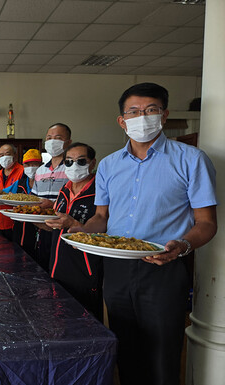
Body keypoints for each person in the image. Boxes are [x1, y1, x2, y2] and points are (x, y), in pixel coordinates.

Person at [73, 83, 217, 385]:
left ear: (164, 116)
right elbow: (101, 217)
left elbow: (206, 222)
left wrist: (183, 246)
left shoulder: (191, 159)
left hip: (163, 267)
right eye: (134, 112)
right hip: (116, 269)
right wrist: (80, 231)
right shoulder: (110, 165)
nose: (142, 117)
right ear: (122, 121)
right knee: (125, 349)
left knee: (162, 354)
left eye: (150, 110)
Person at [43, 143, 103, 321]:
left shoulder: (100, 191)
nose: (74, 166)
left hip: (85, 269)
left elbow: (105, 225)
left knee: (86, 321)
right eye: (68, 162)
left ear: (92, 163)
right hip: (58, 266)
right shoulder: (64, 190)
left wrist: (75, 224)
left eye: (80, 161)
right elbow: (52, 225)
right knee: (60, 319)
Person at [32, 123, 71, 271]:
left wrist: (52, 204)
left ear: (68, 142)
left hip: (64, 231)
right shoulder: (40, 170)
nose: (52, 141)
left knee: (61, 271)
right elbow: (34, 199)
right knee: (41, 268)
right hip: (41, 229)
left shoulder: (72, 169)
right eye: (49, 138)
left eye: (58, 138)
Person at [0, 144, 25, 240]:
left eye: (7, 154)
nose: (4, 157)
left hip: (16, 220)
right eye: (1, 155)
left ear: (14, 156)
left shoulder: (23, 171)